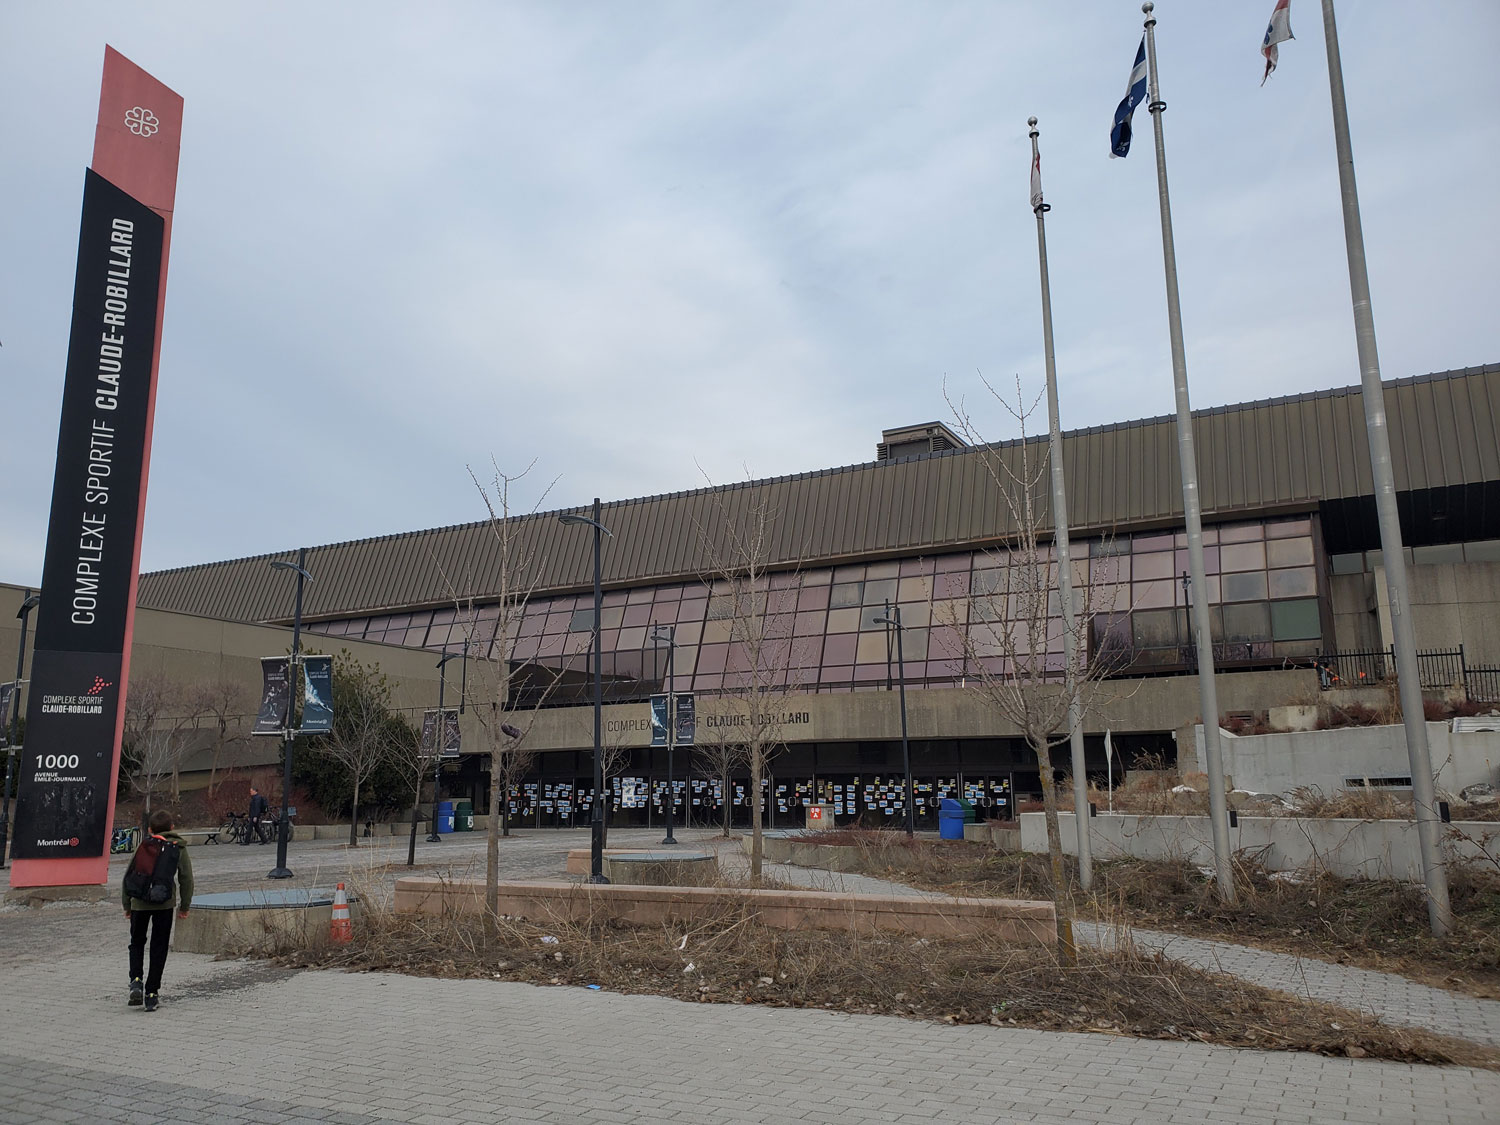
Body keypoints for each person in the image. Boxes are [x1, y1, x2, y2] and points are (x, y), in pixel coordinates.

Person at [123, 809, 193, 1012]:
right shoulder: (178, 847)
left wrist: (127, 904)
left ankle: (136, 980)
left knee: (136, 942)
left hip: (139, 903)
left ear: (150, 829)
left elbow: (129, 874)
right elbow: (186, 878)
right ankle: (151, 993)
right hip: (164, 904)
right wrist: (185, 905)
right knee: (159, 947)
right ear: (172, 827)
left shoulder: (144, 845)